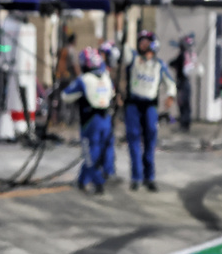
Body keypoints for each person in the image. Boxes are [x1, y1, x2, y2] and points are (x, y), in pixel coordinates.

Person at [124, 30, 175, 192]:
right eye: (140, 41)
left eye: (146, 41)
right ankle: (136, 177)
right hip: (133, 104)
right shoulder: (133, 59)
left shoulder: (159, 65)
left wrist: (170, 96)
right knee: (133, 140)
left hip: (150, 106)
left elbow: (171, 83)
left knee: (151, 138)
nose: (142, 44)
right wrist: (119, 19)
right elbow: (122, 44)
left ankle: (149, 177)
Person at [62, 47, 115, 196]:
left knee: (90, 154)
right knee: (97, 153)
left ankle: (98, 183)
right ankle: (82, 180)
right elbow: (112, 93)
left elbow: (65, 96)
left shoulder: (83, 80)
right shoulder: (106, 76)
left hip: (91, 121)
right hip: (106, 119)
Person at [169, 34, 197, 132]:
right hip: (184, 82)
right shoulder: (187, 55)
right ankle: (185, 123)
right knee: (184, 103)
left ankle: (184, 124)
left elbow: (173, 63)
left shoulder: (185, 55)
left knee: (183, 103)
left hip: (183, 82)